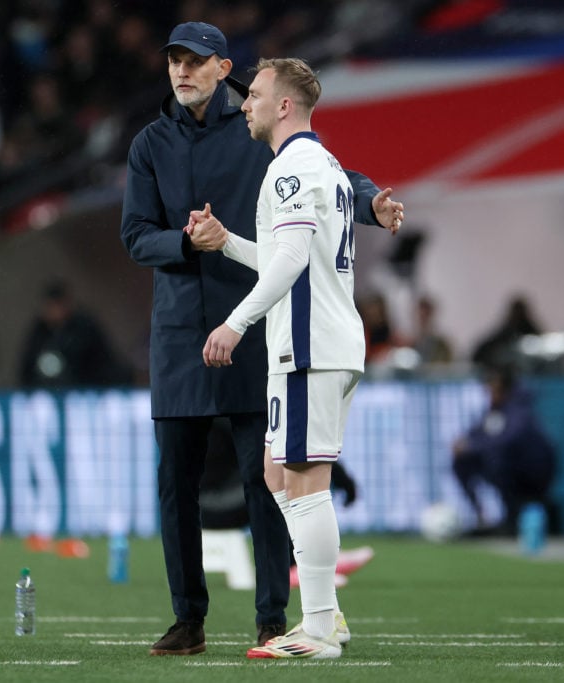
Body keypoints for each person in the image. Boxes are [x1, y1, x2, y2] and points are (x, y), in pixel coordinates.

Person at [120, 23, 403, 656]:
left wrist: (367, 202)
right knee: (178, 484)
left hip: (261, 328)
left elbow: (329, 178)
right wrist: (186, 242)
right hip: (181, 331)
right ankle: (189, 618)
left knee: (271, 478)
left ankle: (280, 616)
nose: (181, 71)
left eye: (194, 61)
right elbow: (135, 235)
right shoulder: (150, 144)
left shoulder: (262, 134)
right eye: (173, 60)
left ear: (225, 69)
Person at [197, 56, 376, 659]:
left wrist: (235, 322)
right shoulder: (319, 164)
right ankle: (328, 611)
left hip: (309, 344)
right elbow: (282, 254)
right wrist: (228, 244)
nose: (244, 103)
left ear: (284, 106)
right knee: (279, 475)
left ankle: (320, 628)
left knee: (304, 479)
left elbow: (293, 259)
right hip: (312, 343)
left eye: (255, 95)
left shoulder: (294, 167)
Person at [452, 364, 556, 535]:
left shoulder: (520, 409)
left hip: (533, 470)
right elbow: (480, 433)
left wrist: (472, 446)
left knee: (497, 459)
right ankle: (480, 516)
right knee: (463, 461)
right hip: (509, 467)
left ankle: (512, 518)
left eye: (492, 388)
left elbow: (508, 438)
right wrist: (464, 444)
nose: (488, 393)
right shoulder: (494, 411)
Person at [19, 279, 131, 389]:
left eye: (58, 305)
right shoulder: (39, 330)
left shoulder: (85, 327)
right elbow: (27, 366)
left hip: (87, 389)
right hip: (49, 391)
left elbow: (102, 362)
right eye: (50, 306)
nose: (55, 311)